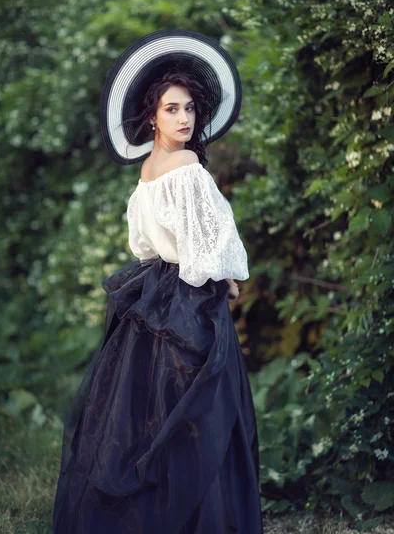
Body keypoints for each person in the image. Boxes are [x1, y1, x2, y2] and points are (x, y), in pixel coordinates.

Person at [53, 30, 264, 533]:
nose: (184, 118)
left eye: (190, 108)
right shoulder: (187, 167)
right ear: (152, 116)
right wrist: (229, 283)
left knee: (147, 419)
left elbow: (144, 248)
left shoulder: (146, 171)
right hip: (189, 302)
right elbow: (208, 248)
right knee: (200, 414)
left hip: (154, 297)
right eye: (171, 109)